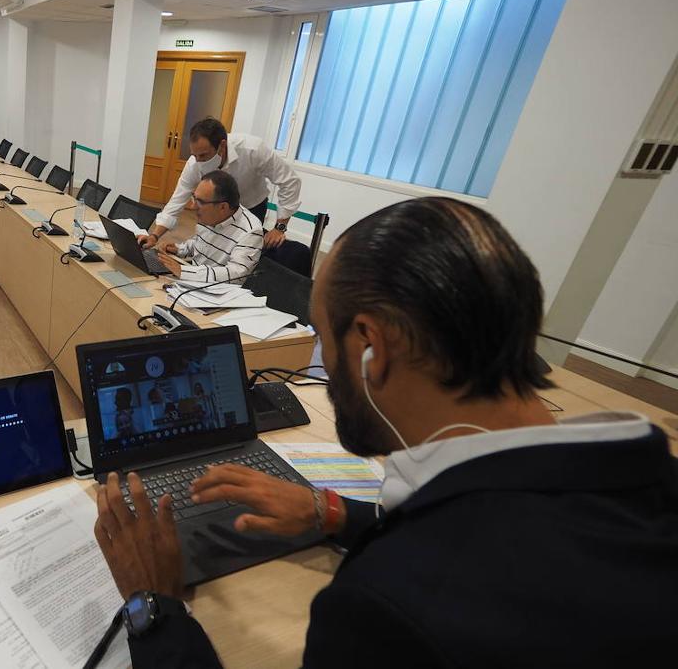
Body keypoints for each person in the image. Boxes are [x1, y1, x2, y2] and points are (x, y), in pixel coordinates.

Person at [92, 197, 678, 667]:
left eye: (323, 337)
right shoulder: (647, 479)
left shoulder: (385, 606)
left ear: (372, 346)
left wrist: (155, 607)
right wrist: (336, 515)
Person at [141, 117, 301, 252]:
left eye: (204, 155)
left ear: (222, 146)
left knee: (244, 252)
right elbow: (177, 200)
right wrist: (154, 236)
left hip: (251, 207)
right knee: (208, 247)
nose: (199, 161)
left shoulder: (252, 149)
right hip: (212, 209)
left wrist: (279, 228)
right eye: (195, 155)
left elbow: (290, 181)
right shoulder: (194, 164)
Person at [153, 170, 267, 284]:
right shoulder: (209, 216)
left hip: (215, 293)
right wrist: (180, 249)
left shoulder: (251, 231)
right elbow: (202, 243)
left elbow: (235, 275)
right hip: (192, 282)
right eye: (194, 198)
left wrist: (184, 272)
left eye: (200, 202)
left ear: (223, 207)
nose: (193, 206)